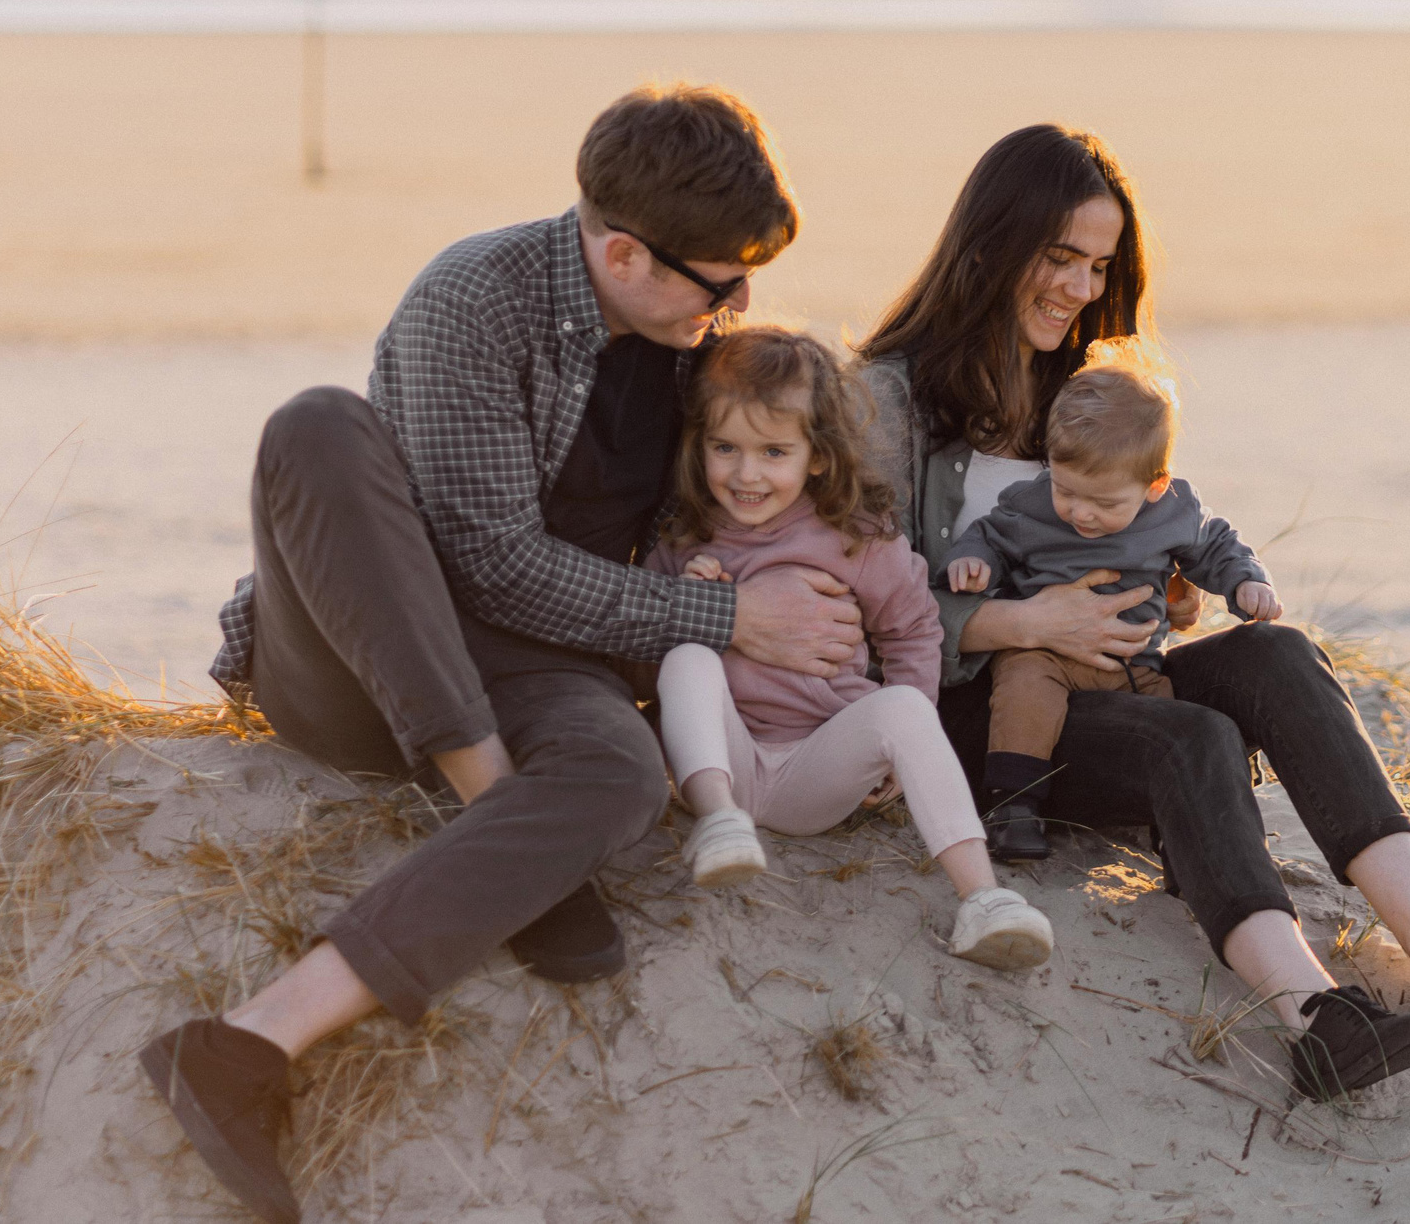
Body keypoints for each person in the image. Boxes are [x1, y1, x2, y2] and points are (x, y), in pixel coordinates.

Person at [139, 85, 867, 1224]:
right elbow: (491, 568)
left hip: (548, 665)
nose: (738, 303)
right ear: (624, 253)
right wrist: (731, 624)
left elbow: (774, 469)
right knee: (317, 425)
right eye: (720, 280)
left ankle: (245, 1042)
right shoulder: (473, 301)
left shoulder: (701, 344)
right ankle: (498, 809)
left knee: (622, 773)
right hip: (367, 652)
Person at [860, 124, 1410, 1100]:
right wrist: (1029, 624)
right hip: (984, 717)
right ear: (992, 243)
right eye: (1058, 258)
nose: (1079, 287)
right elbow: (860, 607)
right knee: (1188, 736)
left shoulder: (1087, 390)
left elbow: (1167, 534)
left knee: (1278, 656)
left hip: (1117, 679)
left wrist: (1172, 592)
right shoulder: (889, 401)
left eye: (1097, 265)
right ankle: (1312, 1014)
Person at [643, 324, 1054, 969]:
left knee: (907, 710)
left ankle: (983, 900)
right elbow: (647, 653)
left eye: (774, 452)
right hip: (719, 760)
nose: (746, 474)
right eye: (725, 447)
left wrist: (896, 747)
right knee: (688, 657)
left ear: (820, 455)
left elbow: (914, 631)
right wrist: (695, 607)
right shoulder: (686, 536)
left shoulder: (857, 536)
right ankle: (719, 824)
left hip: (817, 768)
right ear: (698, 447)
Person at [944, 359, 1276, 863]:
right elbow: (989, 535)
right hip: (1045, 653)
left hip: (1135, 664)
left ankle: (1178, 827)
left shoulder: (1174, 510)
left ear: (1155, 486)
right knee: (1024, 694)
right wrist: (971, 560)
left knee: (1172, 715)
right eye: (1066, 491)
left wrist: (1247, 582)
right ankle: (1013, 806)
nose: (1081, 513)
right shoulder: (1030, 506)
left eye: (1103, 503)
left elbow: (1215, 546)